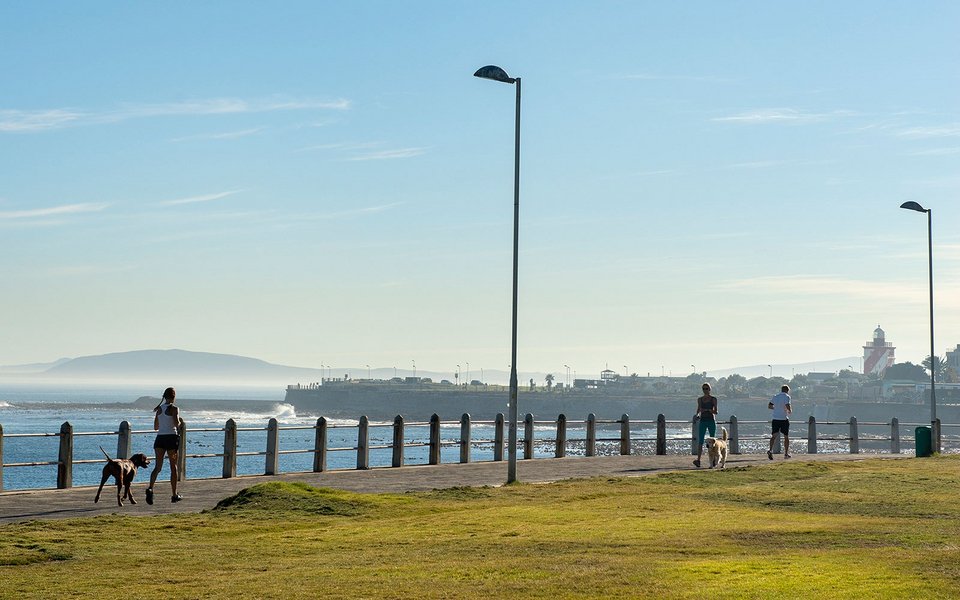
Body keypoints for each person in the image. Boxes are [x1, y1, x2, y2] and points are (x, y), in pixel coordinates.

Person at [146, 387, 183, 504]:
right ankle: (174, 494)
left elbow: (156, 427)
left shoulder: (159, 409)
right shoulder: (174, 409)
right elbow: (177, 424)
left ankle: (150, 488)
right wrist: (181, 422)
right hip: (171, 438)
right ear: (174, 396)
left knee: (158, 467)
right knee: (173, 467)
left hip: (160, 439)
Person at [693, 383, 717, 468]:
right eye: (704, 389)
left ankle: (714, 459)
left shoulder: (713, 399)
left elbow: (716, 412)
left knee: (713, 441)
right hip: (703, 421)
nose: (705, 390)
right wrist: (697, 415)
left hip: (711, 421)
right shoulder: (700, 399)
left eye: (707, 389)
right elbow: (698, 409)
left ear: (710, 389)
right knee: (700, 441)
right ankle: (698, 460)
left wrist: (708, 410)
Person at [767, 384, 793, 460]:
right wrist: (789, 411)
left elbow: (769, 406)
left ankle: (770, 450)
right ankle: (786, 454)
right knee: (786, 437)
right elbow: (787, 405)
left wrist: (776, 408)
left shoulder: (775, 396)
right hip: (783, 419)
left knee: (774, 436)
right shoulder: (787, 397)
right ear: (787, 390)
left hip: (775, 419)